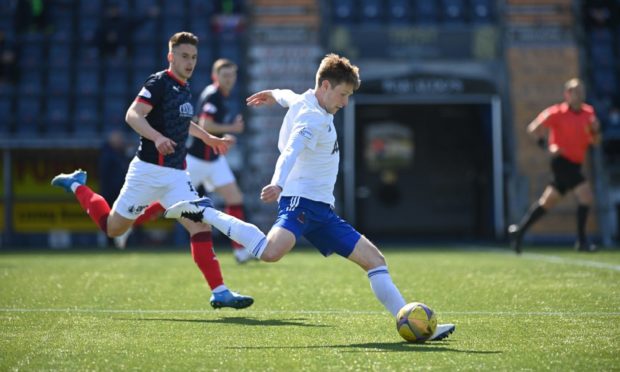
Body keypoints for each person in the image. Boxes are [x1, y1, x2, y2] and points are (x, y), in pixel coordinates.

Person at [164, 53, 455, 340]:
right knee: (270, 253)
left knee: (375, 261)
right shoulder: (312, 120)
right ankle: (206, 211)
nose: (345, 102)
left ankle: (415, 327)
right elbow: (290, 151)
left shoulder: (307, 99)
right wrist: (277, 183)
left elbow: (288, 95)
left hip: (322, 211)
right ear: (325, 86)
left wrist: (273, 94)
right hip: (300, 202)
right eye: (343, 94)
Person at [51, 32, 264, 309]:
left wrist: (208, 138)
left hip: (177, 174)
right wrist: (157, 137)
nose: (190, 62)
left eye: (194, 57)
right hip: (147, 171)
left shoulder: (185, 87)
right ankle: (77, 185)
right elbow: (132, 115)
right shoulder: (158, 82)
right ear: (171, 57)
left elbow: (183, 122)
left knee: (198, 224)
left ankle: (220, 291)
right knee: (113, 228)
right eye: (184, 56)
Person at [112, 59, 255, 264]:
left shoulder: (224, 97)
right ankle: (128, 224)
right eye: (225, 75)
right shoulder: (212, 95)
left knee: (235, 198)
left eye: (232, 75)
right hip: (197, 159)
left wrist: (226, 133)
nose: (229, 79)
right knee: (167, 202)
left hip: (214, 160)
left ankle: (240, 251)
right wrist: (232, 129)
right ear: (215, 77)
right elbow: (205, 123)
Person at [508, 78, 602, 254]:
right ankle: (582, 241)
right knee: (586, 196)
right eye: (576, 91)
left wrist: (596, 130)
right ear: (567, 94)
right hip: (561, 162)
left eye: (582, 91)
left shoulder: (589, 113)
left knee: (547, 202)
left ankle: (519, 232)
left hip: (575, 164)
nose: (580, 95)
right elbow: (533, 128)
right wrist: (547, 146)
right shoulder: (557, 112)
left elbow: (595, 142)